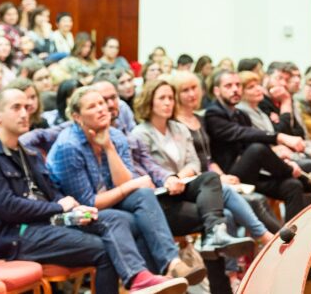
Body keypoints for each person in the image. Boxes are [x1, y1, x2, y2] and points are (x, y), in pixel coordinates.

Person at [0, 88, 188, 294]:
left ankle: (145, 279)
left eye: (26, 107)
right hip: (14, 237)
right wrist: (58, 207)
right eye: (16, 108)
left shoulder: (28, 153)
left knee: (119, 219)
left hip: (46, 224)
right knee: (105, 248)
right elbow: (8, 208)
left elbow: (52, 192)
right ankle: (140, 279)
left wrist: (74, 208)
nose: (24, 113)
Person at [46, 86, 205, 285]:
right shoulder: (69, 146)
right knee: (132, 218)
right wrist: (132, 185)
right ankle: (150, 282)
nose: (101, 109)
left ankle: (170, 264)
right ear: (78, 117)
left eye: (102, 103)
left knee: (144, 198)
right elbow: (89, 202)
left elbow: (124, 183)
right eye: (92, 106)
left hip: (108, 205)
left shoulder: (116, 136)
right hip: (73, 215)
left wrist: (108, 147)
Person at [131, 79, 256, 257]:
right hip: (162, 198)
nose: (168, 102)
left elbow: (194, 163)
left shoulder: (179, 128)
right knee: (224, 214)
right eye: (162, 98)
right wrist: (170, 179)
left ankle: (217, 242)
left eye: (170, 98)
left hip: (183, 188)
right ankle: (229, 266)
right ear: (149, 101)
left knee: (211, 178)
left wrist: (179, 177)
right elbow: (146, 170)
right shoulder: (140, 134)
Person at [170, 70, 280, 239]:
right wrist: (217, 178)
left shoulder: (200, 120)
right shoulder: (174, 124)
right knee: (253, 201)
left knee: (257, 199)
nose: (192, 94)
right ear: (176, 94)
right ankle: (279, 243)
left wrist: (222, 176)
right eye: (185, 90)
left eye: (194, 88)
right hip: (193, 183)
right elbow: (185, 163)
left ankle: (280, 243)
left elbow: (208, 158)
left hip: (211, 177)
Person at [203, 69, 309, 220]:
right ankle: (297, 174)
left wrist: (280, 160)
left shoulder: (240, 114)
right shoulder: (213, 114)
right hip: (228, 176)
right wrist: (279, 138)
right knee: (257, 148)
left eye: (238, 85)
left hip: (249, 173)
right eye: (228, 86)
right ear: (217, 90)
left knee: (292, 186)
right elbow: (242, 134)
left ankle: (293, 235)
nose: (235, 89)